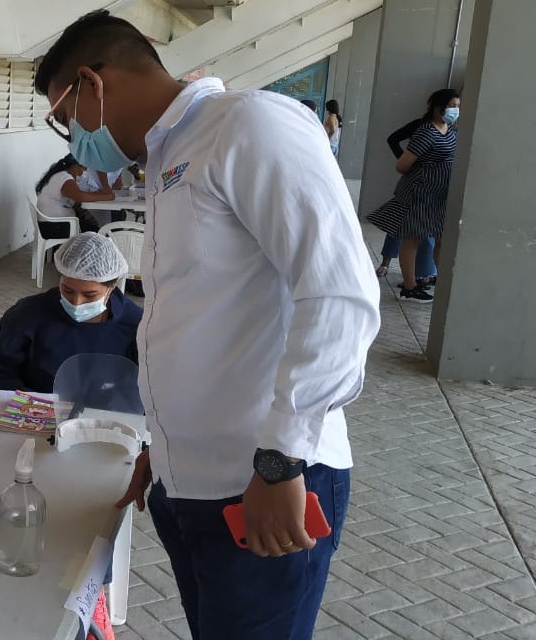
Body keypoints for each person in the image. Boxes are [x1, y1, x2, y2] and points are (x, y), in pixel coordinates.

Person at [37, 11, 379, 639]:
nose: (72, 138)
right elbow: (200, 316)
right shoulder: (171, 156)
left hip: (261, 480)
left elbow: (338, 295)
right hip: (189, 482)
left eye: (66, 116)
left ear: (91, 82)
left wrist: (281, 461)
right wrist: (163, 446)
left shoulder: (248, 125)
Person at [0, 232, 142, 393]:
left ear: (112, 286)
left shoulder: (136, 324)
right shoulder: (27, 315)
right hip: (37, 404)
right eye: (67, 290)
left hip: (106, 407)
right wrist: (31, 402)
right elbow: (1, 373)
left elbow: (144, 385)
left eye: (89, 295)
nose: (76, 302)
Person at [367, 89, 460, 303]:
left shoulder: (451, 131)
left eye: (457, 106)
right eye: (452, 106)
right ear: (437, 107)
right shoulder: (426, 132)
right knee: (413, 238)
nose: (456, 110)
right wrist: (423, 169)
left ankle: (443, 281)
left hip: (440, 196)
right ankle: (409, 288)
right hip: (420, 194)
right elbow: (402, 165)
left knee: (441, 238)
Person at [36, 154, 117, 233]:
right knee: (95, 232)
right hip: (55, 226)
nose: (84, 171)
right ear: (75, 166)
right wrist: (107, 197)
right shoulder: (64, 177)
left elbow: (77, 196)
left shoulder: (59, 174)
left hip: (51, 223)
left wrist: (97, 194)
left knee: (93, 228)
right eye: (84, 168)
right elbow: (80, 197)